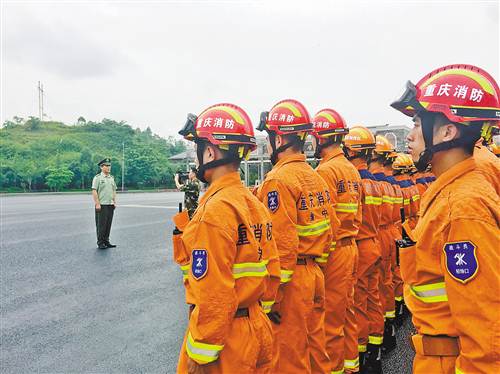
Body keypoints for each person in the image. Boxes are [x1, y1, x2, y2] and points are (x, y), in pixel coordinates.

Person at [391, 63, 500, 373]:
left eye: (416, 124)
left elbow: (486, 333)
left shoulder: (462, 208)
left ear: (448, 131)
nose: (409, 137)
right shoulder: (454, 192)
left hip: (448, 361)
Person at [173, 103, 280, 374]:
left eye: (198, 150)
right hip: (257, 327)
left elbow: (213, 294)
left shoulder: (214, 211)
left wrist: (200, 355)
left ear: (209, 151)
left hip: (227, 343)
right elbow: (273, 268)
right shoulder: (253, 203)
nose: (197, 161)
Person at [256, 99, 335, 373]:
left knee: (289, 358)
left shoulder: (277, 180)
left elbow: (282, 245)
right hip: (314, 275)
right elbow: (330, 229)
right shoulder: (315, 177)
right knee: (316, 351)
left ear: (279, 138)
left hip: (290, 284)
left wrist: (273, 297)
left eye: (269, 137)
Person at [311, 108, 363, 374]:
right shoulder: (352, 171)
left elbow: (324, 224)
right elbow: (360, 215)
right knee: (348, 315)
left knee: (329, 322)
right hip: (351, 248)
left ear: (321, 138)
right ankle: (351, 367)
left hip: (333, 253)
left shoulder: (325, 172)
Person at [343, 126, 384, 373]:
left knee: (356, 304)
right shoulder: (378, 184)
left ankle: (361, 354)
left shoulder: (354, 180)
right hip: (376, 241)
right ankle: (375, 351)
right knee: (373, 299)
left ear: (351, 150)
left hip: (359, 244)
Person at [369, 135, 398, 354]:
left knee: (367, 295)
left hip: (373, 236)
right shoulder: (391, 187)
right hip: (390, 233)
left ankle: (372, 348)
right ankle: (388, 329)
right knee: (386, 282)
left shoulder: (369, 183)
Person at [92, 158, 117, 249]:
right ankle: (100, 242)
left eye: (109, 166)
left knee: (108, 224)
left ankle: (106, 241)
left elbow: (114, 190)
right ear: (101, 167)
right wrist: (97, 203)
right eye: (106, 166)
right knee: (101, 224)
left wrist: (114, 201)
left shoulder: (111, 178)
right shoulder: (98, 178)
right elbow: (94, 191)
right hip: (102, 204)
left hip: (110, 204)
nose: (108, 167)